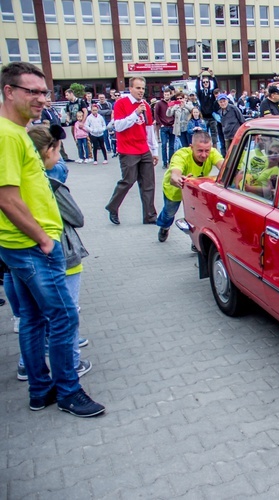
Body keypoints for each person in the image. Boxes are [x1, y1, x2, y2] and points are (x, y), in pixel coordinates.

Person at [0, 62, 104, 417]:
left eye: (44, 91)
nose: (42, 98)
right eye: (33, 91)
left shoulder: (17, 131)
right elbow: (7, 197)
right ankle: (68, 392)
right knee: (62, 317)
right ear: (9, 91)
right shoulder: (8, 135)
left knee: (31, 318)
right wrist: (44, 239)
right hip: (32, 246)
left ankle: (40, 390)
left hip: (22, 246)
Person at [25, 125, 92, 379]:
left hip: (26, 256)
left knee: (32, 316)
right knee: (67, 312)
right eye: (59, 151)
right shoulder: (50, 184)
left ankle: (29, 367)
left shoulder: (19, 179)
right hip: (61, 253)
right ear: (50, 151)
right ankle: (71, 363)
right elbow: (76, 217)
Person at [105, 76, 159, 225]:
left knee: (148, 183)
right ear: (130, 89)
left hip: (143, 149)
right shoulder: (121, 103)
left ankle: (149, 215)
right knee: (128, 180)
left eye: (143, 88)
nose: (141, 91)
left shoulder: (146, 106)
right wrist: (135, 113)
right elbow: (119, 126)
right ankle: (113, 207)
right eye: (138, 88)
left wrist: (154, 151)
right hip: (127, 149)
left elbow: (149, 129)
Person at [157, 131, 224, 242]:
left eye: (207, 151)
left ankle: (196, 240)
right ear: (191, 147)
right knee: (169, 213)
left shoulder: (213, 152)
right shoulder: (181, 155)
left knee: (198, 215)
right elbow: (175, 173)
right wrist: (177, 178)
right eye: (200, 151)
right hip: (175, 190)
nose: (204, 155)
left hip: (195, 190)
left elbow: (224, 166)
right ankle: (164, 227)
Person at [195, 70, 219, 147]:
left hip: (212, 117)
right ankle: (205, 148)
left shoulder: (212, 92)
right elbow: (197, 87)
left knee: (214, 134)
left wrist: (212, 75)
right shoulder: (200, 93)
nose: (205, 83)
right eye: (204, 82)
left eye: (207, 82)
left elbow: (216, 87)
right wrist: (199, 76)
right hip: (204, 117)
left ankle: (214, 149)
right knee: (204, 134)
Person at [154, 88, 175, 169]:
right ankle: (164, 162)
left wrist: (174, 123)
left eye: (168, 94)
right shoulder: (159, 103)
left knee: (171, 146)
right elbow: (156, 114)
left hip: (172, 126)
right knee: (163, 145)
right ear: (163, 95)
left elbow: (176, 113)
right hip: (163, 127)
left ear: (170, 95)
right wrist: (160, 124)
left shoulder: (173, 103)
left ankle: (171, 162)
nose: (166, 96)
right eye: (165, 94)